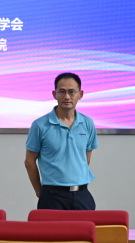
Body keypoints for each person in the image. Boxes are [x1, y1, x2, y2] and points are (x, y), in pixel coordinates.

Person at [24, 72, 99, 210]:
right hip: (52, 197)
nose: (67, 97)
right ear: (54, 94)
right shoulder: (40, 125)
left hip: (82, 195)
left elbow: (86, 159)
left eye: (72, 92)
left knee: (87, 226)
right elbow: (29, 162)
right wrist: (40, 192)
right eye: (62, 92)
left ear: (80, 94)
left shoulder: (88, 123)